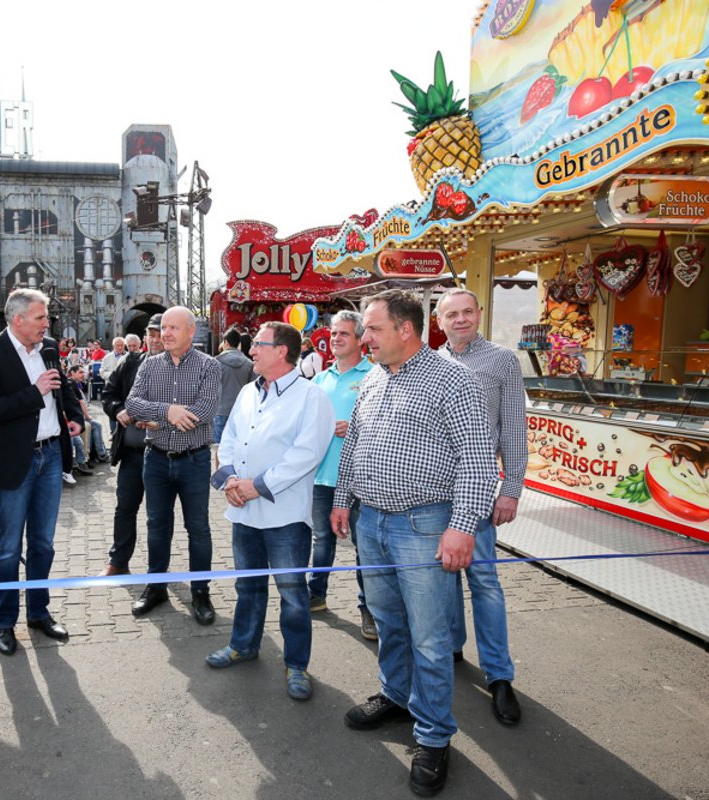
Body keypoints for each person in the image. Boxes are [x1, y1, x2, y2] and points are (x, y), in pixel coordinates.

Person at [330, 289, 497, 797]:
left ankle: (434, 735)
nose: (365, 338)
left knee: (429, 637)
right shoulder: (375, 377)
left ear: (406, 329)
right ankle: (396, 697)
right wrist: (342, 499)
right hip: (371, 523)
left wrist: (462, 526)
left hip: (425, 525)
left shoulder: (454, 380)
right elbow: (355, 443)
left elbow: (477, 460)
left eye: (373, 329)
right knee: (388, 621)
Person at [208, 321, 333, 700]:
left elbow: (305, 455)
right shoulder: (249, 390)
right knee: (248, 586)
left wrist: (256, 486)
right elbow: (230, 438)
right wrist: (231, 480)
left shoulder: (311, 397)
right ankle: (243, 644)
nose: (251, 351)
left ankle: (296, 665)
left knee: (292, 593)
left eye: (259, 345)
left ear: (281, 351)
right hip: (244, 512)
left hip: (285, 517)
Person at [0, 288, 84, 657]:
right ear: (18, 320)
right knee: (8, 548)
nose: (47, 323)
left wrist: (76, 417)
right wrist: (35, 393)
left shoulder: (48, 347)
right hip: (14, 462)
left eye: (46, 317)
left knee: (43, 544)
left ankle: (38, 612)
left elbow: (62, 387)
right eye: (40, 317)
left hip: (50, 456)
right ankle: (4, 623)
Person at [436, 288, 527, 726]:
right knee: (444, 574)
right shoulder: (430, 362)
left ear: (479, 314)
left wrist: (511, 488)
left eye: (467, 312)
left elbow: (514, 427)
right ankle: (453, 647)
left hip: (477, 490)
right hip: (435, 491)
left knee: (484, 581)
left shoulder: (502, 360)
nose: (460, 319)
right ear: (439, 321)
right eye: (451, 314)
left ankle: (499, 675)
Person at [125, 306, 221, 625]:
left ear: (191, 331)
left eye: (172, 328)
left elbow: (204, 412)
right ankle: (156, 587)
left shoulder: (209, 366)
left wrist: (156, 419)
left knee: (198, 529)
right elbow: (132, 404)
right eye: (163, 328)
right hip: (156, 460)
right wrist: (168, 411)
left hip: (194, 460)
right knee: (157, 526)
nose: (164, 333)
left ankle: (200, 591)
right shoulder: (150, 365)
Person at [309, 311, 375, 635]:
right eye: (333, 333)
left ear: (360, 339)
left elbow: (387, 425)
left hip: (361, 479)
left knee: (365, 548)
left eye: (343, 334)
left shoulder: (375, 375)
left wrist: (357, 427)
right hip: (323, 478)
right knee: (322, 540)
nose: (335, 339)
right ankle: (316, 595)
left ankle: (369, 609)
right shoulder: (320, 379)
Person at [99, 322, 160, 575]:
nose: (154, 340)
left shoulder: (180, 367)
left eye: (159, 334)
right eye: (150, 334)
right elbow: (109, 393)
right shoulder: (130, 362)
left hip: (164, 454)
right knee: (125, 508)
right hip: (133, 452)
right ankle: (118, 562)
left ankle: (157, 571)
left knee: (158, 516)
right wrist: (118, 409)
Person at [213, 329, 254, 447]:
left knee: (219, 447)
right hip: (242, 412)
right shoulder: (249, 364)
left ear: (226, 342)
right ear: (239, 343)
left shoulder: (215, 362)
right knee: (238, 447)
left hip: (220, 410)